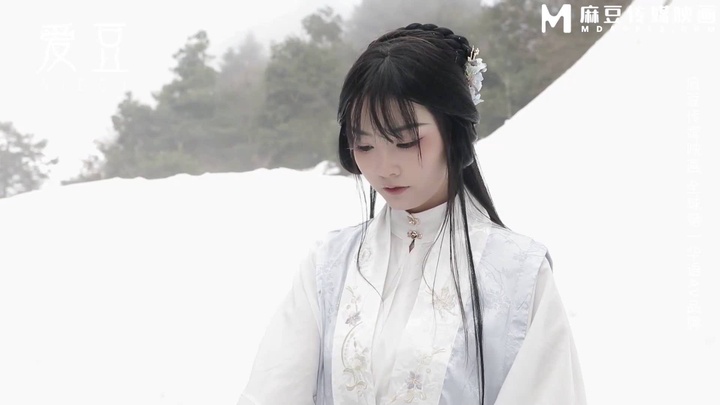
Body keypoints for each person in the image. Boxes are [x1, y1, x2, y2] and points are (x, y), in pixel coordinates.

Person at [237, 23, 586, 405]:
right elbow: (273, 390)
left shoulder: (518, 275)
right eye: (364, 145)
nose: (384, 167)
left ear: (455, 132)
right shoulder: (328, 267)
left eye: (406, 141)